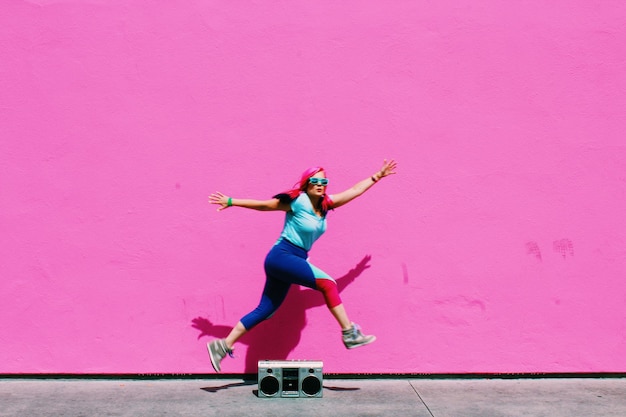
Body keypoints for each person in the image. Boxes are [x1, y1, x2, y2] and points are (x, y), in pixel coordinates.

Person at [206, 159, 398, 372]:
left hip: (291, 259)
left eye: (323, 181)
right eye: (314, 180)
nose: (319, 184)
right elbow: (263, 205)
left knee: (265, 310)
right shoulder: (298, 201)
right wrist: (231, 201)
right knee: (328, 284)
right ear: (307, 183)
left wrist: (377, 176)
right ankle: (349, 333)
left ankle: (222, 346)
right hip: (282, 255)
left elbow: (355, 190)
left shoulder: (326, 205)